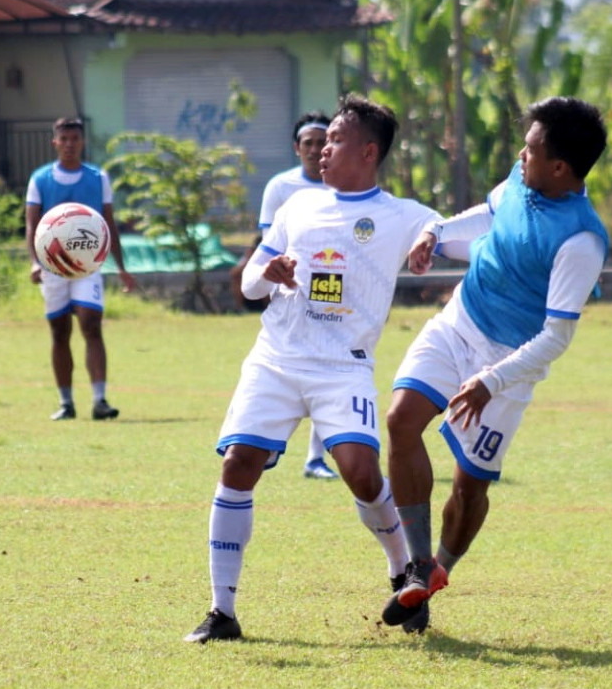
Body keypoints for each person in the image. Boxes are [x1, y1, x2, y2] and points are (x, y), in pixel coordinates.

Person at [185, 94, 444, 643]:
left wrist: (429, 239)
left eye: (336, 141)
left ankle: (404, 573)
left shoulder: (398, 214)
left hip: (342, 367)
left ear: (369, 152)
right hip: (276, 359)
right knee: (238, 464)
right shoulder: (296, 206)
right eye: (322, 141)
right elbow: (252, 281)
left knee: (360, 471)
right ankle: (222, 611)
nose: (323, 150)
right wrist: (269, 271)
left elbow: (440, 225)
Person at [380, 96, 610, 631]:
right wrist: (436, 232)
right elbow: (490, 210)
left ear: (560, 167)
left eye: (530, 149)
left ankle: (440, 568)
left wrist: (491, 380)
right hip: (459, 322)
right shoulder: (524, 178)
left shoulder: (580, 240)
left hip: (509, 362)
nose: (520, 155)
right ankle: (416, 567)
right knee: (400, 421)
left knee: (469, 486)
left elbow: (556, 337)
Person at [229, 111, 341, 481]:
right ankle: (264, 443)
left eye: (321, 141)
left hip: (331, 284)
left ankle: (315, 458)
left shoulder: (343, 185)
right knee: (287, 367)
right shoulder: (281, 187)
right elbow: (269, 242)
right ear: (297, 148)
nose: (314, 149)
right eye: (307, 142)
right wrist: (273, 280)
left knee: (331, 363)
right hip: (287, 291)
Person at [25, 117, 136, 421]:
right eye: (65, 139)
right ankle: (66, 402)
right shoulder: (40, 179)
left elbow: (108, 223)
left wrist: (122, 267)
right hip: (53, 268)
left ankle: (100, 400)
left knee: (91, 324)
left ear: (82, 142)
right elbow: (32, 225)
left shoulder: (97, 177)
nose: (70, 144)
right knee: (60, 331)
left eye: (75, 138)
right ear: (55, 143)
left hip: (89, 267)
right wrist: (35, 262)